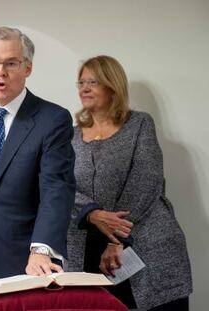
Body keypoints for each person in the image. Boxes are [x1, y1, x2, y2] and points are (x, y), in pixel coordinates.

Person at [0, 26, 75, 302]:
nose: (0, 72)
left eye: (11, 63)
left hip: (26, 263)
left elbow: (57, 190)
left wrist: (42, 250)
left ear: (27, 67)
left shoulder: (52, 119)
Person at [66, 55, 192, 310]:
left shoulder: (139, 124)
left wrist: (116, 240)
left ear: (112, 86)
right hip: (86, 252)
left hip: (146, 245)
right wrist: (92, 213)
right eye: (81, 83)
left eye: (93, 82)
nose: (84, 89)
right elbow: (61, 185)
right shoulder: (70, 135)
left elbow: (146, 181)